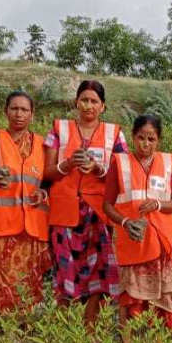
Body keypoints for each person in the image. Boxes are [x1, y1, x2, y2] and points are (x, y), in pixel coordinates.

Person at [43, 80, 127, 326]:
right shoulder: (59, 129)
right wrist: (66, 165)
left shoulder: (115, 134)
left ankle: (90, 330)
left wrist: (99, 169)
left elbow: (124, 173)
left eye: (94, 101)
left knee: (98, 274)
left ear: (103, 106)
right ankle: (62, 330)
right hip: (65, 211)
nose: (89, 106)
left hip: (98, 215)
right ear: (76, 102)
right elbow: (46, 172)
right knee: (63, 272)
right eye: (85, 100)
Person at [103, 114, 172, 329]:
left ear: (159, 140)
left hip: (163, 244)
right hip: (134, 242)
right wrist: (124, 222)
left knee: (162, 301)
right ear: (133, 137)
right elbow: (107, 205)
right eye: (141, 138)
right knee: (130, 298)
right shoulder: (120, 163)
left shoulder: (168, 163)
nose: (146, 144)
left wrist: (158, 205)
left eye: (151, 139)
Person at [0, 91, 51, 319]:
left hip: (31, 225)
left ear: (32, 114)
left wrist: (44, 194)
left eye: (24, 110)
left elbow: (48, 181)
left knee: (28, 279)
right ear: (5, 111)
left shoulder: (42, 144)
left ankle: (23, 325)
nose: (19, 114)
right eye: (14, 109)